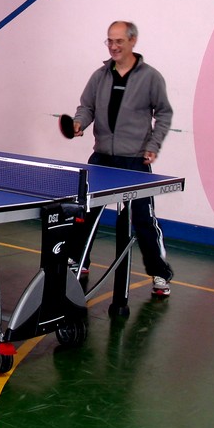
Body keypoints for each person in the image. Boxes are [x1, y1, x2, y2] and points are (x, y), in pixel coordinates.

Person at [69, 20, 174, 297]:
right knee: (85, 212)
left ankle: (160, 273)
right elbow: (86, 107)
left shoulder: (151, 77)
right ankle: (79, 260)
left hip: (135, 161)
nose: (113, 46)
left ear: (132, 41)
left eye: (119, 41)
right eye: (110, 41)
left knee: (143, 219)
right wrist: (79, 123)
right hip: (101, 157)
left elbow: (164, 113)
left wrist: (153, 145)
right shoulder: (100, 75)